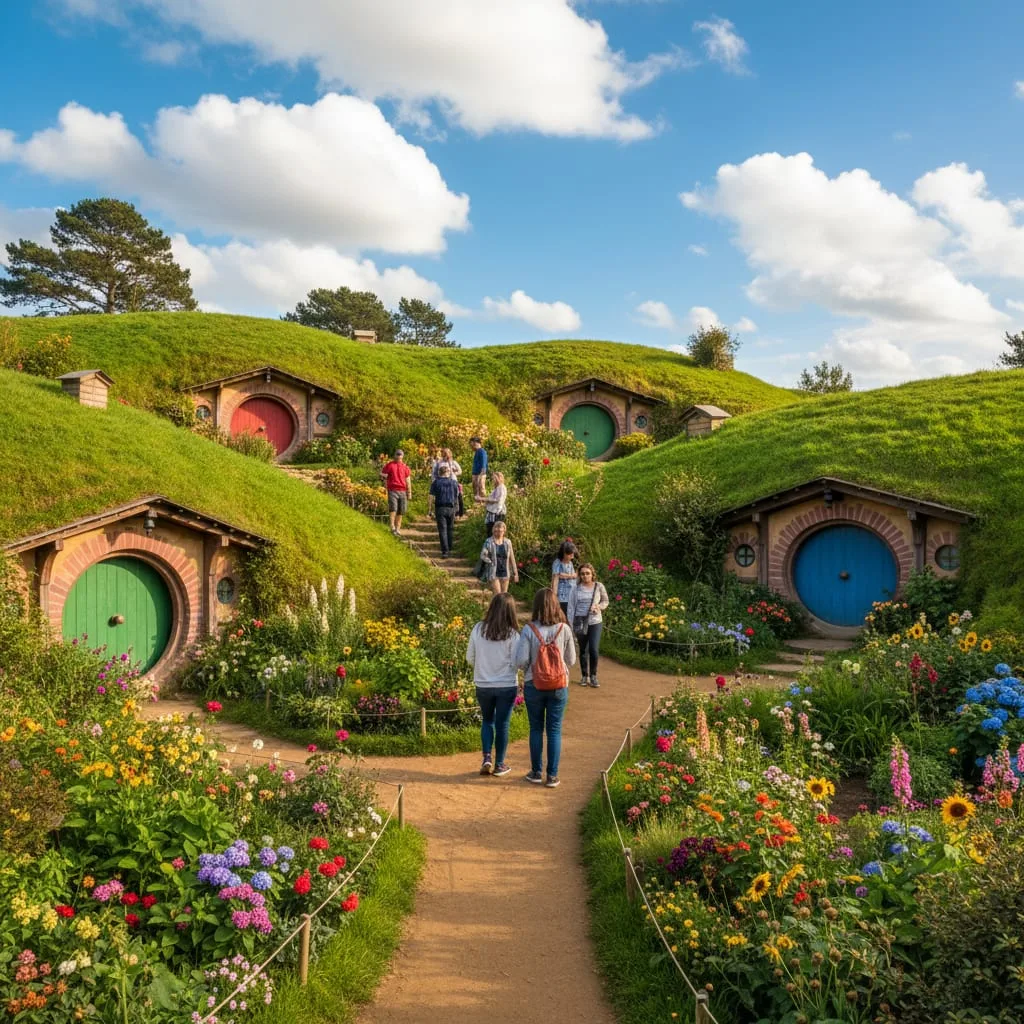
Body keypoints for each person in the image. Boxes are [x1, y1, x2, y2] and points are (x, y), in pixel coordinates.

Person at [514, 588, 576, 788]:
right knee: (555, 730)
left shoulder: (529, 629)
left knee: (536, 729)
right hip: (559, 685)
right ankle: (552, 776)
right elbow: (572, 660)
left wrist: (534, 664)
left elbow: (521, 661)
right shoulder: (564, 629)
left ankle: (536, 772)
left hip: (534, 683)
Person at [466, 593, 520, 777]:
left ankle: (486, 757)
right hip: (506, 684)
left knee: (487, 720)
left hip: (483, 684)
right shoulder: (513, 634)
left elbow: (469, 658)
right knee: (502, 724)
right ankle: (500, 764)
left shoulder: (478, 629)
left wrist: (483, 669)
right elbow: (517, 662)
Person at [566, 562, 609, 688]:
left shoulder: (599, 586)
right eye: (583, 574)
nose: (585, 576)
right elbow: (571, 607)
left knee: (594, 649)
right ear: (579, 575)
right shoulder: (575, 588)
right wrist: (571, 623)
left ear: (592, 574)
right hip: (579, 621)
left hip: (595, 621)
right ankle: (584, 675)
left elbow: (605, 601)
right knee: (583, 649)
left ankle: (594, 676)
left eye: (587, 573)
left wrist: (598, 607)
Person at [428, 464, 460, 558]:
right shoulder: (454, 483)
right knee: (450, 528)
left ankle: (445, 551)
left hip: (440, 508)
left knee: (442, 530)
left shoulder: (435, 483)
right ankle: (449, 548)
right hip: (451, 508)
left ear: (439, 473)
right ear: (448, 473)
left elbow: (431, 497)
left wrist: (429, 510)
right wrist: (457, 509)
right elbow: (457, 496)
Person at [478, 520, 519, 594]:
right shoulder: (489, 541)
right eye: (496, 528)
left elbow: (512, 558)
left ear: (504, 530)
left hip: (505, 572)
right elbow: (483, 555)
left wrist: (515, 573)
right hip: (493, 572)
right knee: (497, 594)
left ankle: (496, 605)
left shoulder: (508, 542)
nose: (498, 530)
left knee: (504, 595)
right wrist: (490, 561)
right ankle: (494, 605)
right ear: (493, 530)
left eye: (500, 529)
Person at [381, 449, 413, 536]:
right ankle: (392, 527)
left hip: (402, 491)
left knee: (401, 510)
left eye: (400, 455)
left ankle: (398, 528)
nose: (399, 456)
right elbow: (383, 476)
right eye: (397, 454)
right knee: (393, 508)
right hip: (392, 490)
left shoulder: (405, 467)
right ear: (394, 455)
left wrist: (409, 492)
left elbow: (408, 480)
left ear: (402, 456)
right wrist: (384, 486)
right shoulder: (389, 465)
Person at [475, 470, 507, 538]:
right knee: (490, 532)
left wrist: (482, 499)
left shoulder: (501, 487)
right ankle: (490, 547)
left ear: (499, 478)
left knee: (494, 533)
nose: (493, 480)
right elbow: (491, 499)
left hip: (497, 514)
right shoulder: (497, 488)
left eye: (494, 478)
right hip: (493, 513)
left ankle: (494, 547)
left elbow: (496, 500)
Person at [550, 540, 578, 619]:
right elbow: (555, 579)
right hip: (563, 597)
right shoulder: (557, 563)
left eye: (573, 553)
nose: (572, 555)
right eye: (570, 554)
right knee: (563, 618)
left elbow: (574, 576)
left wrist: (566, 575)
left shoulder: (570, 563)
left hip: (572, 595)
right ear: (564, 553)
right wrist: (554, 596)